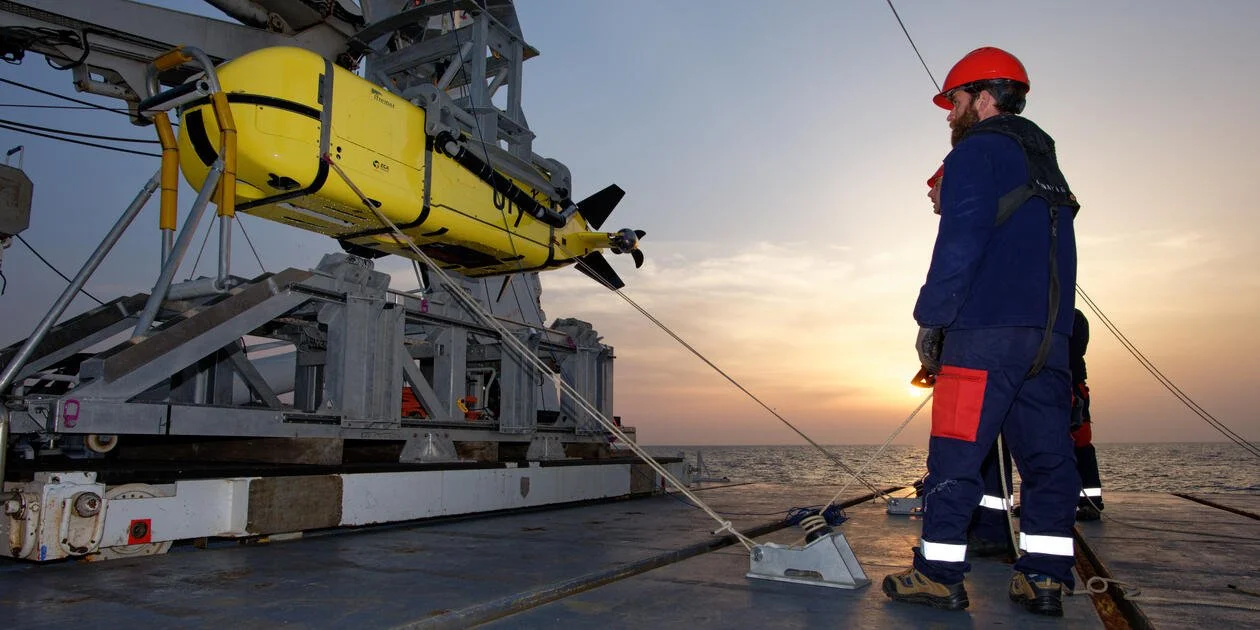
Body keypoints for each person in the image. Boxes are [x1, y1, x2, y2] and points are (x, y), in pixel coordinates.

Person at [883, 46, 1081, 617]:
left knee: (955, 455)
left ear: (985, 98)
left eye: (955, 101)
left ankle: (938, 575)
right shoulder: (1045, 161)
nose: (950, 113)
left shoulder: (977, 152)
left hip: (985, 333)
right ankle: (1044, 577)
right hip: (1049, 339)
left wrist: (932, 318)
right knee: (1047, 460)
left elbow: (960, 242)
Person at [1070, 308, 1104, 520]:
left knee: (1081, 445)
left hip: (1072, 386)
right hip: (1045, 384)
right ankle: (1044, 502)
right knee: (1041, 448)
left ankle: (1091, 502)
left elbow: (1076, 348)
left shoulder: (1074, 318)